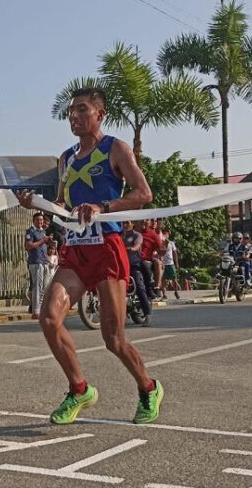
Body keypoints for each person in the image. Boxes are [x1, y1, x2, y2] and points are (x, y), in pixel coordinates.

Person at [16, 86, 163, 426]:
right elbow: (62, 205)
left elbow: (143, 194)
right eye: (71, 112)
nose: (74, 117)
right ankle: (79, 388)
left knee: (113, 339)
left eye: (82, 110)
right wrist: (35, 204)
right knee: (49, 318)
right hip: (76, 250)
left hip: (108, 249)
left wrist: (103, 207)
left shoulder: (117, 149)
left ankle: (148, 387)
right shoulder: (65, 158)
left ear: (100, 114)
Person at [122, 221, 151, 326]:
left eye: (127, 223)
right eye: (123, 223)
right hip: (122, 266)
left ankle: (147, 315)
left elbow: (137, 245)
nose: (125, 225)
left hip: (134, 265)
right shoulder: (120, 235)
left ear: (132, 223)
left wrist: (132, 248)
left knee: (139, 287)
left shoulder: (137, 235)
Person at [25, 212, 53, 319]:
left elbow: (45, 245)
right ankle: (36, 311)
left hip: (44, 261)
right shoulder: (30, 231)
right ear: (33, 221)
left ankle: (42, 308)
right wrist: (42, 241)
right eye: (38, 220)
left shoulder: (43, 232)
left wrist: (49, 242)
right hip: (35, 262)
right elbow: (28, 246)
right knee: (37, 286)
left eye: (41, 220)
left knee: (45, 287)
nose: (40, 222)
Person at [159, 227, 181, 300]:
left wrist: (176, 262)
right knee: (164, 280)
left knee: (174, 279)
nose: (166, 235)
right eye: (164, 233)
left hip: (170, 263)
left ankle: (176, 291)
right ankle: (164, 294)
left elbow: (174, 253)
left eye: (167, 234)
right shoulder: (160, 242)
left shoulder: (171, 243)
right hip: (163, 263)